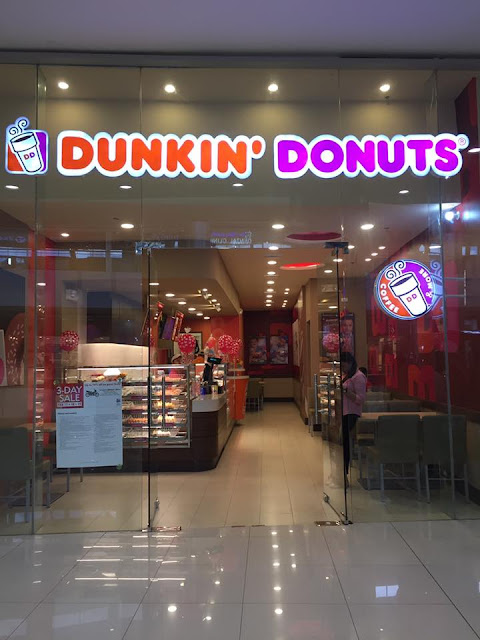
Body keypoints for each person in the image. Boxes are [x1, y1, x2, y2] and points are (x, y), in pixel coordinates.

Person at [341, 352, 367, 479]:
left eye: (344, 366)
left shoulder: (359, 377)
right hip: (346, 412)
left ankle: (345, 470)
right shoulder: (348, 375)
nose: (343, 369)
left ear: (350, 363)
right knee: (344, 442)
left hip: (352, 414)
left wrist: (346, 392)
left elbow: (360, 399)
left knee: (347, 442)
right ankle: (344, 469)